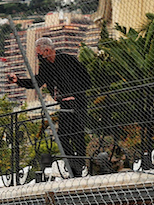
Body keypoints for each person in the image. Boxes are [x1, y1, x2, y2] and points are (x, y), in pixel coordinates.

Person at [8, 37, 92, 177]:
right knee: (63, 136)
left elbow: (86, 78)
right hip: (65, 103)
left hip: (78, 101)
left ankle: (81, 163)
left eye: (39, 54)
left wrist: (75, 93)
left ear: (46, 50)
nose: (38, 57)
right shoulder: (46, 66)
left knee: (77, 133)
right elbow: (38, 82)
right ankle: (72, 163)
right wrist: (18, 81)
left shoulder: (66, 59)